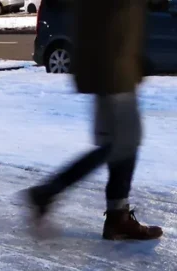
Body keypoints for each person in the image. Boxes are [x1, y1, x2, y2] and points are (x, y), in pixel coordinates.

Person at [24, 0, 162, 241]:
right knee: (122, 143)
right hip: (112, 66)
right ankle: (48, 193)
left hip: (111, 65)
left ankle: (115, 216)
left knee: (118, 143)